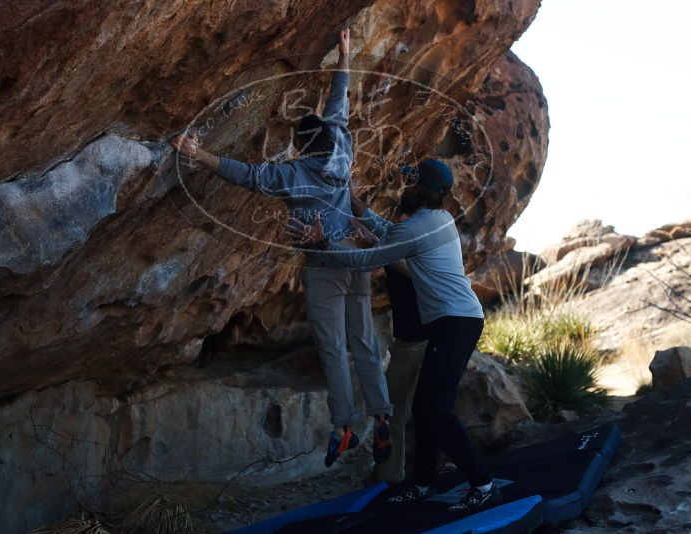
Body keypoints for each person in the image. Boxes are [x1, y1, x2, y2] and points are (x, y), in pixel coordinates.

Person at [170, 28, 394, 468]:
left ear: (299, 145)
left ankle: (344, 425)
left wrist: (198, 154)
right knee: (364, 342)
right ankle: (382, 416)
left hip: (326, 263)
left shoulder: (292, 175)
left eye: (295, 142)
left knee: (332, 348)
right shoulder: (342, 144)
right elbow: (339, 100)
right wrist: (344, 55)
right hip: (357, 255)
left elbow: (246, 175)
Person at [286, 159, 499, 514]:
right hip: (457, 320)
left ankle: (483, 483)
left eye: (410, 181)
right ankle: (425, 482)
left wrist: (323, 241)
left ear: (422, 189)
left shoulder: (415, 228)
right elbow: (389, 232)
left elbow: (364, 258)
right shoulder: (438, 219)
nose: (405, 185)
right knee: (425, 408)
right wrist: (354, 203)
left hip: (456, 322)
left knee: (436, 408)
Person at [349, 190, 429, 485]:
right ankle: (390, 478)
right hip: (403, 345)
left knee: (429, 414)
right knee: (391, 415)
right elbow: (366, 216)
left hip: (430, 345)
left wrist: (379, 246)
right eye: (402, 220)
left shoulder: (424, 248)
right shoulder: (396, 240)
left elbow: (414, 271)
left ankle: (425, 476)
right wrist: (348, 191)